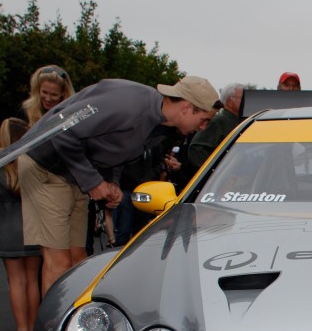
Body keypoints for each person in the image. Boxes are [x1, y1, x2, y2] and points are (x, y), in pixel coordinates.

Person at [15, 75, 220, 295]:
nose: (203, 128)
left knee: (78, 262)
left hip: (74, 174)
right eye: (204, 120)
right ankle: (54, 328)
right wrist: (93, 182)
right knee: (60, 264)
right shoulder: (129, 102)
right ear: (187, 108)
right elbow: (62, 129)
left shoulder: (160, 127)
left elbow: (115, 152)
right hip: (46, 166)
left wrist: (111, 183)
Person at [0, 117, 40, 331]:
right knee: (32, 280)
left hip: (6, 227)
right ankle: (34, 329)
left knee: (16, 281)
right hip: (33, 225)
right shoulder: (33, 165)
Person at [187, 82, 245, 171]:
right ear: (229, 101)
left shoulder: (241, 121)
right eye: (243, 97)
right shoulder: (218, 121)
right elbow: (196, 149)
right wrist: (216, 173)